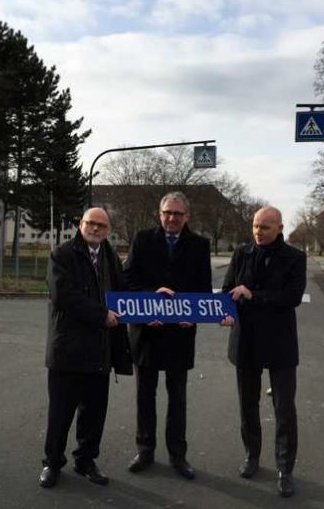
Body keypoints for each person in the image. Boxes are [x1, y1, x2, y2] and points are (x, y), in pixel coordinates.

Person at [39, 207, 132, 488]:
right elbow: (64, 296)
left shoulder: (109, 256)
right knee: (60, 413)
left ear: (108, 230)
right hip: (67, 351)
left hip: (99, 351)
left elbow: (123, 291)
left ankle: (86, 460)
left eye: (102, 226)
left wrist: (153, 301)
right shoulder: (62, 255)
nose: (96, 229)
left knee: (94, 413)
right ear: (80, 224)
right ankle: (52, 463)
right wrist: (101, 315)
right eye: (91, 223)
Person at [123, 191, 212, 480]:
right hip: (147, 331)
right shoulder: (142, 239)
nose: (172, 218)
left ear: (187, 216)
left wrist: (194, 315)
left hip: (180, 334)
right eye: (167, 213)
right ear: (159, 214)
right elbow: (127, 279)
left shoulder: (199, 245)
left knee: (178, 398)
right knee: (144, 396)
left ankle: (178, 455)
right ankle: (145, 449)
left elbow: (203, 288)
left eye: (177, 214)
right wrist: (151, 297)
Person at [221, 206, 306, 498]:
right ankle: (252, 456)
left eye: (265, 227)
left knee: (284, 409)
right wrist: (225, 310)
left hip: (280, 343)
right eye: (256, 226)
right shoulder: (241, 253)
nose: (258, 232)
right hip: (245, 340)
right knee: (248, 404)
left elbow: (292, 297)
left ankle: (285, 469)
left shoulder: (295, 258)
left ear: (280, 228)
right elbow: (227, 290)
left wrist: (253, 295)